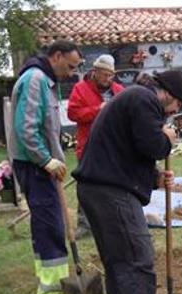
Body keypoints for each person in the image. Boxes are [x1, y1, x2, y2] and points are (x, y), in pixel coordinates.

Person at [72, 70, 182, 294]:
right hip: (111, 193)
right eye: (177, 108)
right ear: (170, 95)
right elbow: (151, 145)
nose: (172, 114)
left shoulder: (132, 98)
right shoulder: (144, 99)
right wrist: (168, 139)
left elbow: (127, 152)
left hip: (98, 189)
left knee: (118, 258)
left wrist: (154, 178)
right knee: (138, 258)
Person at [10, 40, 82, 294]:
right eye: (70, 66)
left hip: (39, 165)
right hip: (34, 165)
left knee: (45, 226)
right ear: (57, 56)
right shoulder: (35, 80)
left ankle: (50, 284)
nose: (72, 73)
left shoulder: (44, 80)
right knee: (50, 227)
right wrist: (46, 161)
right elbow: (26, 129)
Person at [67, 54, 125, 237]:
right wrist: (96, 111)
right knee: (86, 186)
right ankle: (85, 225)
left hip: (113, 147)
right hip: (88, 147)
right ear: (95, 71)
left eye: (110, 75)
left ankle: (113, 223)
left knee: (114, 185)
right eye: (104, 74)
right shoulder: (80, 89)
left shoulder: (119, 90)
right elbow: (72, 113)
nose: (108, 78)